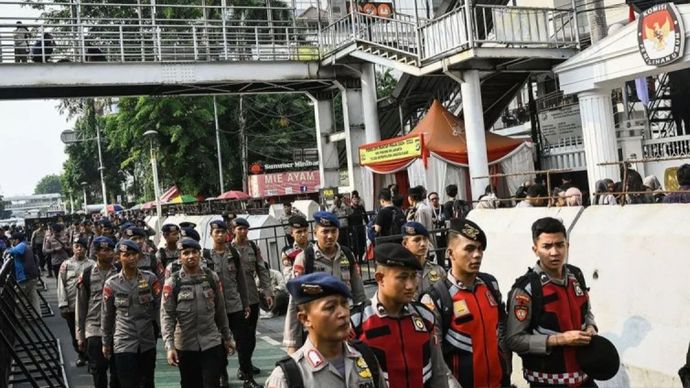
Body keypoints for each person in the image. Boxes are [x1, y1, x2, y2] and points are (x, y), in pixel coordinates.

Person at [506, 217, 598, 387]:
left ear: (567, 246)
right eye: (547, 246)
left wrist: (591, 327)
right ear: (535, 250)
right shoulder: (526, 289)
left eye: (559, 245)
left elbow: (587, 312)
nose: (554, 252)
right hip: (548, 382)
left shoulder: (576, 276)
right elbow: (514, 340)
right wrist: (559, 339)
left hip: (585, 378)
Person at [420, 219, 509, 388]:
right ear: (450, 253)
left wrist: (506, 367)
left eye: (480, 249)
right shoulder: (436, 298)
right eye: (469, 249)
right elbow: (435, 357)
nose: (477, 255)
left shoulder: (491, 285)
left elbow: (502, 326)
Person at [350, 243, 452, 388]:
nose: (410, 285)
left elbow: (439, 372)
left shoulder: (425, 317)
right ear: (380, 278)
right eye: (402, 278)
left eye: (413, 276)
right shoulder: (357, 322)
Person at [266, 273, 386, 388]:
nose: (343, 313)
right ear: (305, 318)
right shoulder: (288, 377)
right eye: (330, 307)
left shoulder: (365, 357)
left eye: (344, 304)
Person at [283, 211, 367, 354]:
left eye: (334, 231)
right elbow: (294, 303)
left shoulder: (347, 255)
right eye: (325, 231)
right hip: (316, 331)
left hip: (344, 328)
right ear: (315, 232)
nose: (330, 236)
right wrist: (293, 342)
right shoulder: (305, 258)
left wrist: (364, 327)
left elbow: (360, 296)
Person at [160, 237, 235, 388]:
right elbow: (167, 316)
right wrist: (170, 346)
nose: (190, 256)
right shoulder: (173, 282)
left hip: (210, 342)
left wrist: (227, 337)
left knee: (212, 383)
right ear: (180, 257)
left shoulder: (211, 277)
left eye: (194, 252)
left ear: (200, 254)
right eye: (186, 253)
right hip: (186, 345)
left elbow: (220, 310)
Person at [101, 240, 161, 388]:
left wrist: (166, 337)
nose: (131, 258)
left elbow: (160, 309)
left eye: (134, 254)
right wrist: (106, 342)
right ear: (118, 257)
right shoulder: (111, 284)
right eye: (126, 255)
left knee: (147, 382)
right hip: (124, 342)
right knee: (128, 383)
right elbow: (107, 316)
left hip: (146, 341)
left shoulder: (150, 279)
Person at [206, 220, 250, 388]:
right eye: (216, 232)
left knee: (243, 342)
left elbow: (241, 280)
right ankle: (222, 375)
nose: (220, 235)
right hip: (216, 308)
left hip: (235, 304)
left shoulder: (233, 253)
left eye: (223, 232)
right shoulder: (206, 256)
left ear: (227, 234)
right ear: (211, 234)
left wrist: (246, 302)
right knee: (219, 344)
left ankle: (246, 374)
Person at [231, 217, 273, 388]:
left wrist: (268, 291)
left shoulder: (253, 248)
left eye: (245, 229)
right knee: (241, 337)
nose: (243, 232)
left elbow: (261, 269)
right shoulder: (228, 249)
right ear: (233, 230)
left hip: (252, 297)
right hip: (235, 299)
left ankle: (246, 364)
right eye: (239, 229)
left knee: (251, 336)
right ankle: (244, 369)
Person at [75, 236, 120, 388]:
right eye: (104, 250)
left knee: (118, 371)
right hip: (94, 328)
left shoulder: (121, 272)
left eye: (110, 250)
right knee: (98, 370)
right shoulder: (87, 275)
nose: (109, 253)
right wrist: (80, 334)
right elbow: (80, 307)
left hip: (118, 328)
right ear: (96, 253)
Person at [58, 237, 95, 367]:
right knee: (74, 332)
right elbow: (61, 285)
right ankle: (81, 355)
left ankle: (91, 356)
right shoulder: (66, 265)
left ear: (86, 249)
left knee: (89, 331)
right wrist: (63, 304)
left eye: (81, 246)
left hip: (88, 305)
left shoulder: (92, 264)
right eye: (76, 246)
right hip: (71, 306)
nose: (79, 249)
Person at [400, 221, 446, 297]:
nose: (423, 244)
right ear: (405, 243)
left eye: (425, 239)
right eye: (417, 240)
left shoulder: (438, 270)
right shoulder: (400, 272)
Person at [7, 232, 41, 313]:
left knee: (19, 298)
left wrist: (7, 250)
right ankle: (37, 315)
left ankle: (21, 318)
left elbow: (14, 251)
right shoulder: (26, 245)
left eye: (13, 240)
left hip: (25, 276)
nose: (12, 242)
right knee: (33, 297)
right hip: (32, 275)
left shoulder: (21, 246)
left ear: (17, 240)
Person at [280, 215, 311, 279]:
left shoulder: (315, 246)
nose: (303, 235)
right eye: (299, 232)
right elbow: (288, 277)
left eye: (305, 230)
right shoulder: (287, 252)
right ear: (291, 233)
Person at [348, 192, 369, 261]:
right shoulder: (350, 209)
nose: (356, 200)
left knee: (362, 244)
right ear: (351, 200)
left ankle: (360, 259)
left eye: (357, 199)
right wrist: (349, 231)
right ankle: (355, 259)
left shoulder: (361, 207)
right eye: (354, 199)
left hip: (361, 228)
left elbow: (365, 217)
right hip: (353, 229)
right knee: (355, 245)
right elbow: (348, 220)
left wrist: (368, 224)